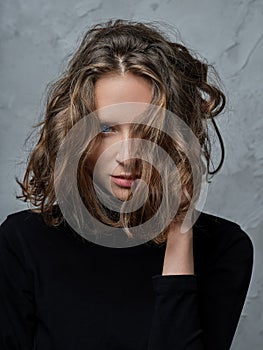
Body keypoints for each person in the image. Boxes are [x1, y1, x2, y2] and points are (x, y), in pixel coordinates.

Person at [0, 19, 253, 350]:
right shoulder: (23, 243)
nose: (130, 155)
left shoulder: (224, 248)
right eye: (106, 129)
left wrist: (178, 238)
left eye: (149, 130)